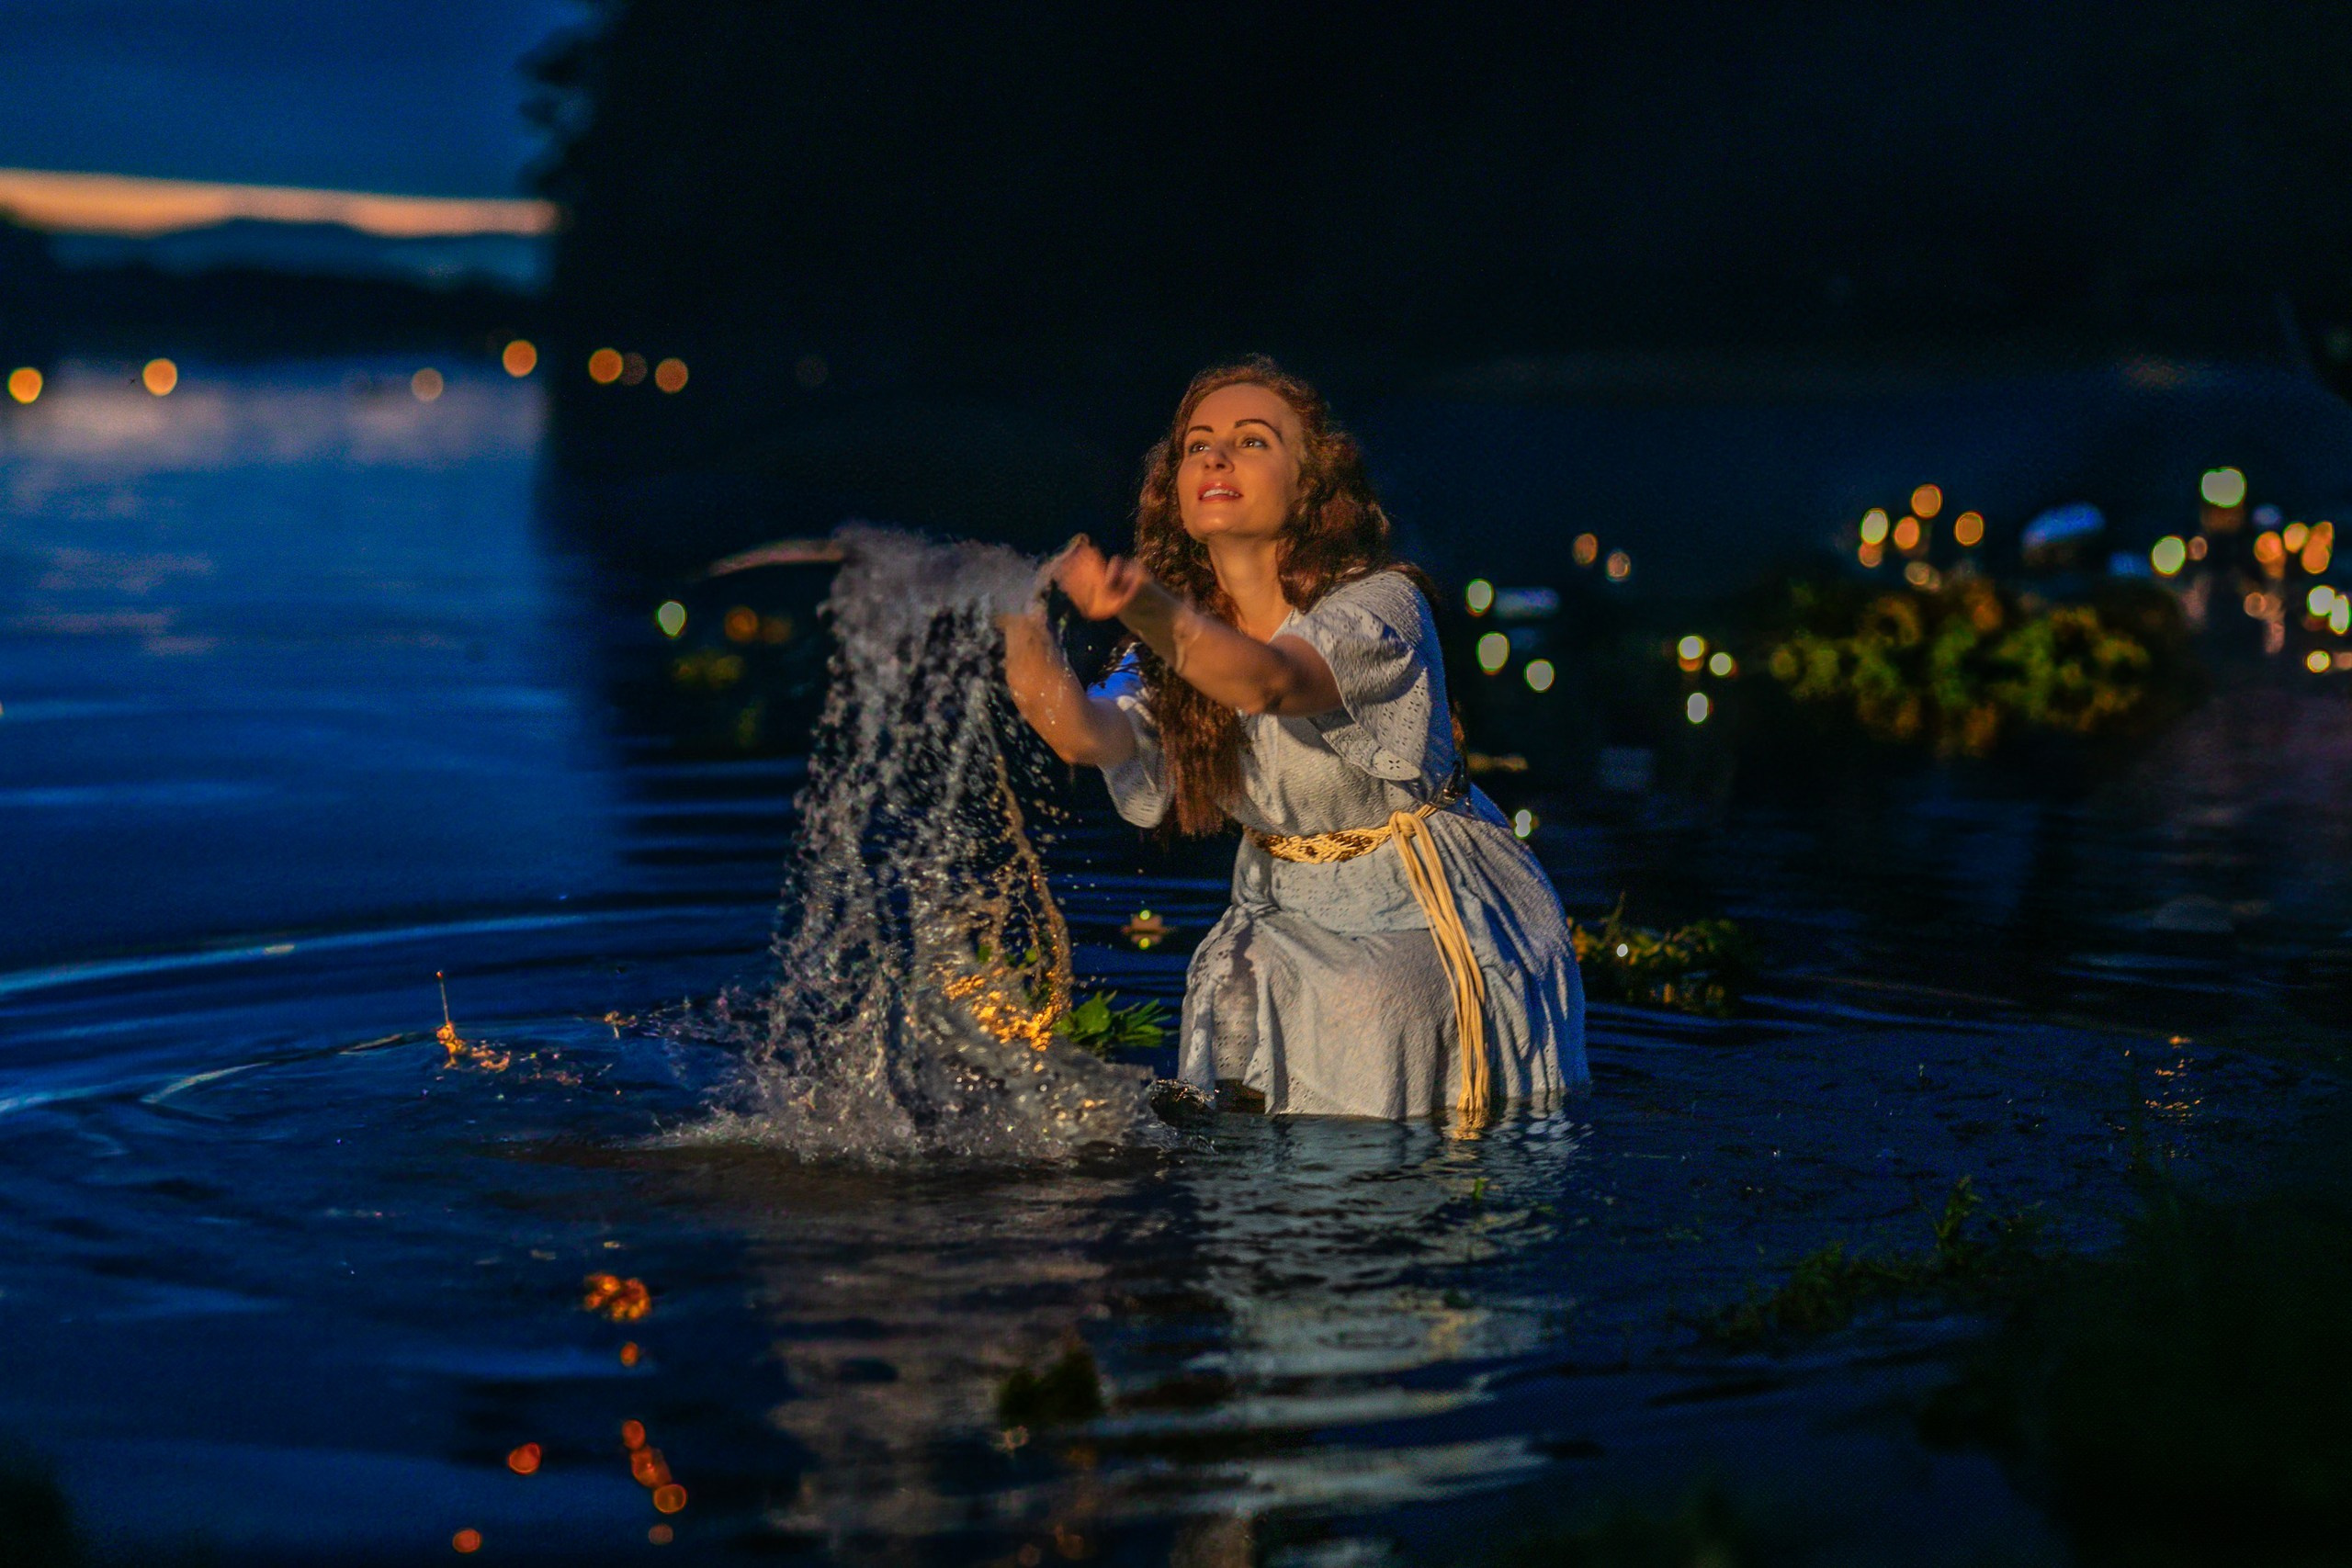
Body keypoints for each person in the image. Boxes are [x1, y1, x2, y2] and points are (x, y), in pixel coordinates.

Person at [1000, 358, 1587, 1125]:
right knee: (1225, 1005)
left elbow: (1270, 680)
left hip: (1418, 905)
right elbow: (1086, 735)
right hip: (1278, 908)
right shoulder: (1168, 653)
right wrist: (1019, 627)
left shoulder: (1379, 607)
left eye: (1252, 441)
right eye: (1197, 445)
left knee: (1369, 1036)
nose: (1214, 457)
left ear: (1312, 485)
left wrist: (1145, 607)